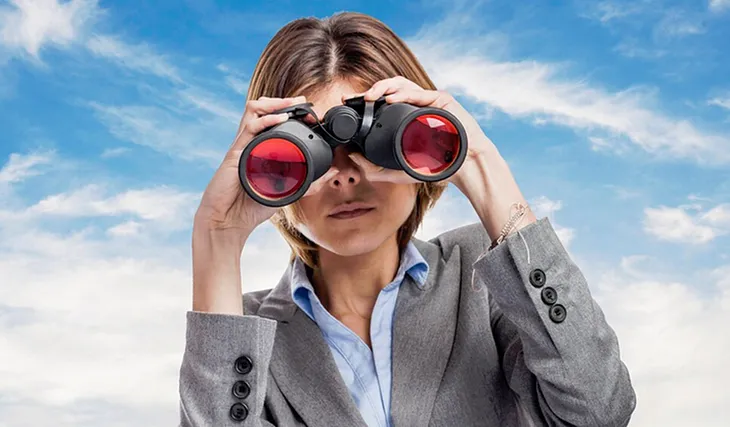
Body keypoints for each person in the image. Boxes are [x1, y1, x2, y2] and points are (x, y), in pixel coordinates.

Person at [178, 11, 636, 427]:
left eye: (368, 140)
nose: (343, 176)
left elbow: (599, 410)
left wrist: (478, 162)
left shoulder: (483, 277)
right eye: (310, 153)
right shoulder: (246, 335)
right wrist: (218, 237)